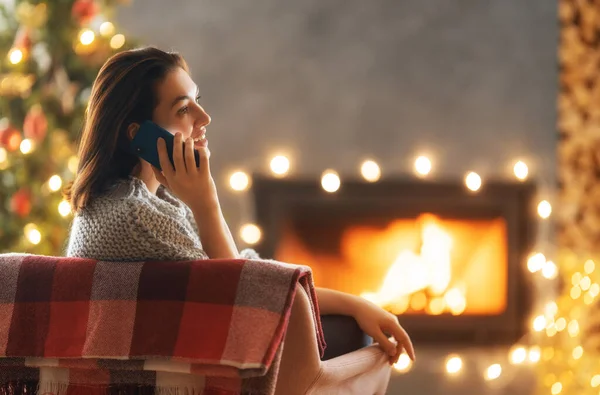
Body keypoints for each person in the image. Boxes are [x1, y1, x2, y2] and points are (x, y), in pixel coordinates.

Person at [63, 46, 415, 365]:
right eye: (184, 108)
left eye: (198, 101)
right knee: (357, 336)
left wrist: (357, 303)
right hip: (208, 370)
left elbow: (251, 274)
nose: (204, 118)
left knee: (353, 325)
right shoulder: (133, 217)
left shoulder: (147, 202)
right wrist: (207, 202)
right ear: (138, 134)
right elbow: (245, 292)